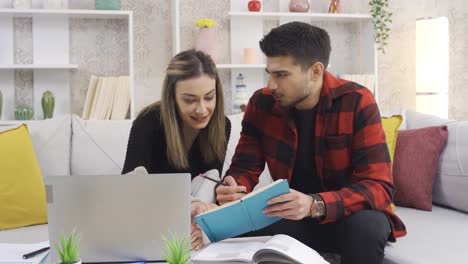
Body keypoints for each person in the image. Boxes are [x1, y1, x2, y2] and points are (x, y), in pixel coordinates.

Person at [215, 22, 406, 264]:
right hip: (293, 216)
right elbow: (244, 167)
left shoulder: (357, 101)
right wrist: (234, 186)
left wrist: (315, 204)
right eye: (270, 73)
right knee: (229, 228)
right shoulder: (261, 104)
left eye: (281, 75)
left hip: (349, 217)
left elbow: (378, 187)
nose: (271, 85)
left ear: (316, 70)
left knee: (367, 226)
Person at [122, 49, 231, 250]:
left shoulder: (222, 126)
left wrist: (199, 226)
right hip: (148, 225)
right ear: (172, 97)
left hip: (189, 229)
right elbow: (130, 191)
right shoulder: (148, 123)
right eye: (189, 100)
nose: (202, 109)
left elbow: (208, 188)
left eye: (209, 97)